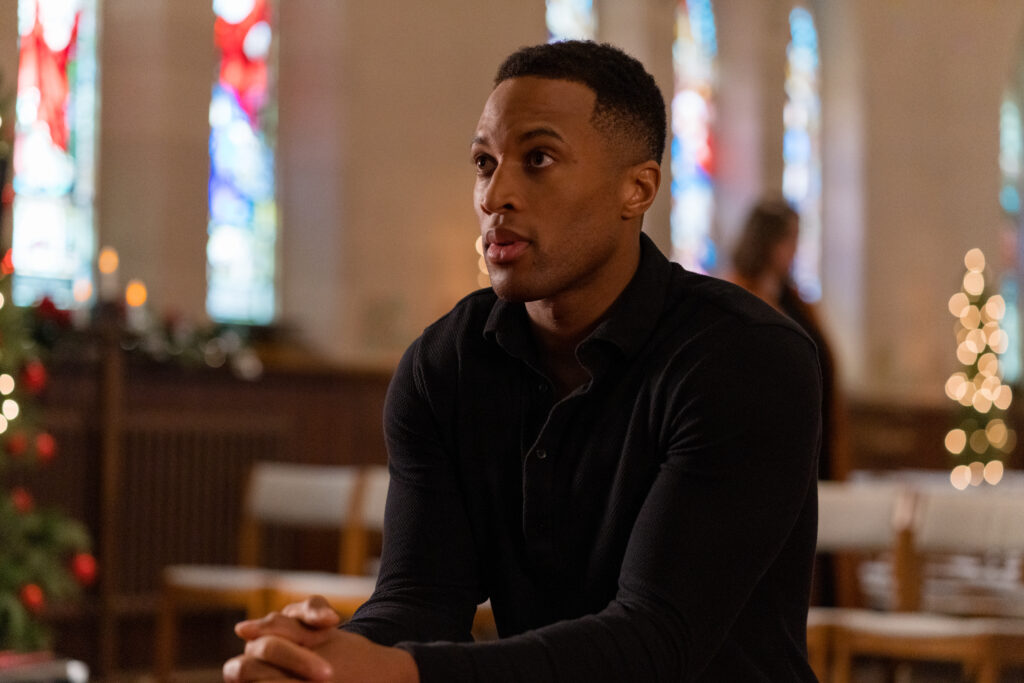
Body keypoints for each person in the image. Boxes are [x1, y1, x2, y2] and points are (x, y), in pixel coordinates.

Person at [223, 40, 821, 683]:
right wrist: (324, 658)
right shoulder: (443, 365)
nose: (495, 194)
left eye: (538, 159)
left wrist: (406, 676)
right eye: (485, 162)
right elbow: (421, 599)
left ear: (637, 188)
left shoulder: (743, 357)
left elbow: (657, 641)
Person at [728, 198, 844, 482]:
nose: (794, 250)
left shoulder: (798, 303)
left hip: (816, 437)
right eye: (789, 240)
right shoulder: (733, 295)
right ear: (764, 241)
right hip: (766, 444)